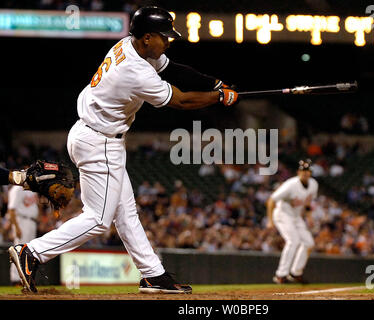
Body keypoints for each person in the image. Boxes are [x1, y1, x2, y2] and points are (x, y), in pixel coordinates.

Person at [8, 6, 238, 294]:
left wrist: (213, 83)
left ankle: (153, 274)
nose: (168, 41)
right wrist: (219, 97)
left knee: (126, 213)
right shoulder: (135, 69)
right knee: (98, 219)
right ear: (146, 38)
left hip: (96, 135)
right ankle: (33, 252)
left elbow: (173, 69)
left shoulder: (129, 45)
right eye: (163, 37)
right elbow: (181, 101)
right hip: (99, 142)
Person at [266, 159, 318, 284]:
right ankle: (281, 275)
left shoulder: (313, 184)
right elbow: (271, 200)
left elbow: (307, 203)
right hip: (282, 214)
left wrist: (309, 217)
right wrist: (270, 220)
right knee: (293, 241)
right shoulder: (291, 185)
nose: (305, 173)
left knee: (309, 243)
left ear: (310, 173)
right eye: (303, 171)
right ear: (298, 172)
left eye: (308, 171)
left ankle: (295, 273)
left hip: (296, 217)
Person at [6, 184, 39, 285]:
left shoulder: (32, 189)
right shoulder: (17, 189)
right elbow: (11, 209)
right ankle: (16, 279)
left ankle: (26, 279)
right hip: (21, 221)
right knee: (19, 251)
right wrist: (16, 227)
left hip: (32, 222)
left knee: (29, 252)